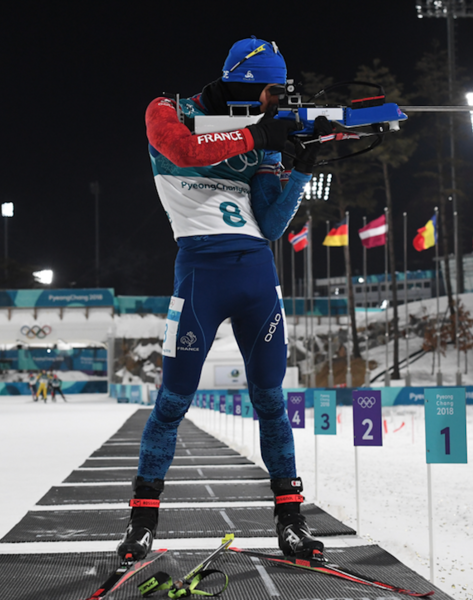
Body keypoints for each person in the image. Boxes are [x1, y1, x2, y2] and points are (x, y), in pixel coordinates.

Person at [117, 37, 331, 562]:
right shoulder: (169, 109)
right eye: (264, 93)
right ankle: (142, 522)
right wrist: (260, 132)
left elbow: (272, 224)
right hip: (199, 277)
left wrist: (299, 165)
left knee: (271, 403)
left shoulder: (265, 132)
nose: (268, 103)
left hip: (258, 278)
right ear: (240, 84)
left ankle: (291, 522)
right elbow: (184, 150)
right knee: (171, 403)